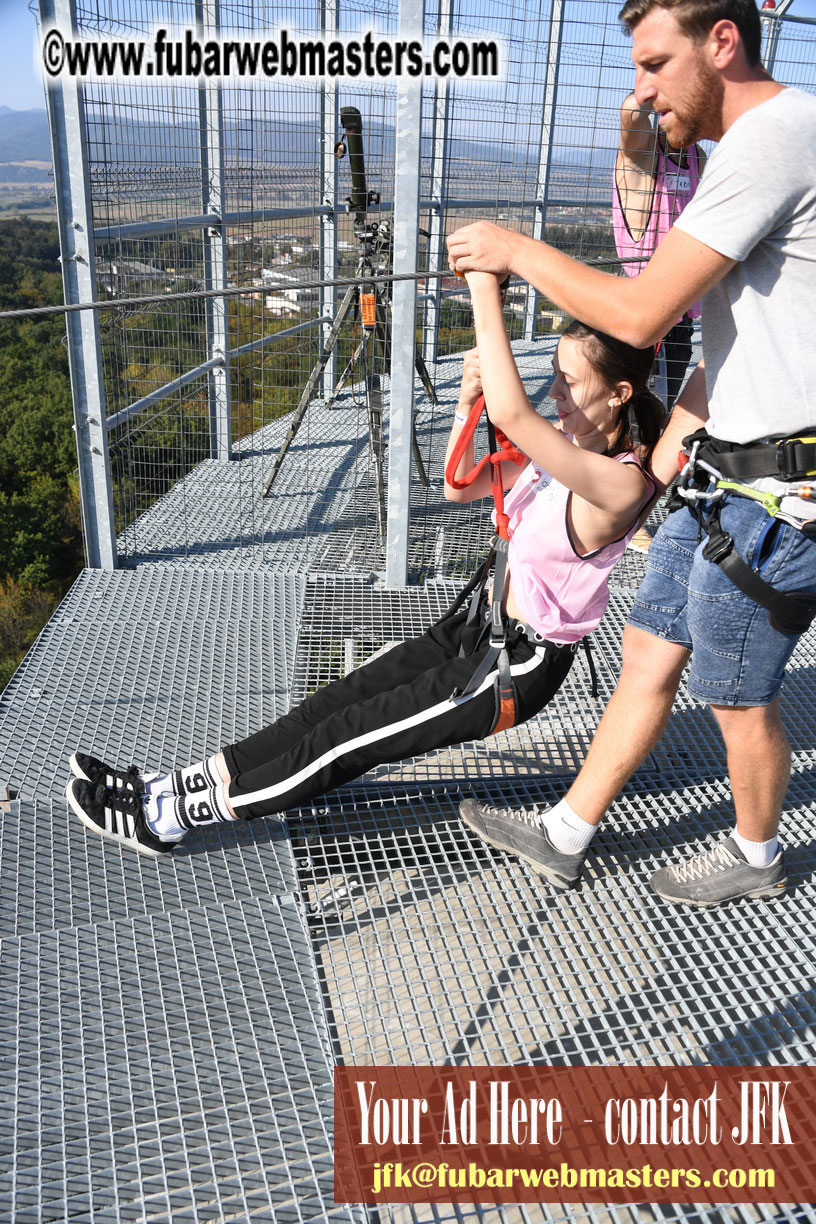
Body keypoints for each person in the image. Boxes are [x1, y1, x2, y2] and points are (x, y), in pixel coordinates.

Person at [64, 275, 665, 859]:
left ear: (618, 394)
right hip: (473, 630)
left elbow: (514, 417)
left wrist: (487, 286)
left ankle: (165, 819)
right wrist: (464, 404)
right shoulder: (565, 451)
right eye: (555, 376)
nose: (555, 392)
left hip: (514, 666)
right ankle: (168, 788)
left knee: (345, 738)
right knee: (326, 707)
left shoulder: (616, 485)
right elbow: (462, 487)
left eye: (570, 381)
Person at [448, 0, 816, 907]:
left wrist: (510, 249)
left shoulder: (774, 139)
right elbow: (757, 332)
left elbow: (642, 314)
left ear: (722, 42)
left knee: (736, 691)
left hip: (773, 496)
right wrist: (687, 425)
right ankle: (567, 832)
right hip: (726, 468)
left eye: (655, 63)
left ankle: (757, 856)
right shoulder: (758, 145)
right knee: (652, 650)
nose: (641, 89)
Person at [614, 90, 706, 410]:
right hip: (640, 303)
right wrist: (661, 83)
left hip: (680, 310)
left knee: (657, 410)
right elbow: (631, 115)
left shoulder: (698, 157)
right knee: (625, 411)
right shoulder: (642, 154)